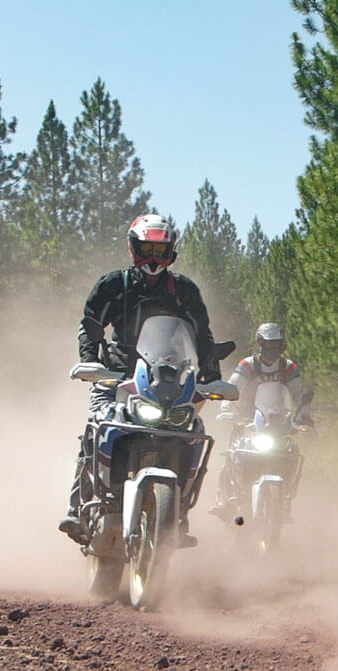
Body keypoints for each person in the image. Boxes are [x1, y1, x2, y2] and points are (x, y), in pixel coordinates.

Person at [59, 213, 222, 545]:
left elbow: (202, 335)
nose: (153, 258)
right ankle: (78, 509)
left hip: (169, 379)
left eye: (160, 251)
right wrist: (90, 361)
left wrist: (212, 375)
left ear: (172, 252)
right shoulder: (113, 285)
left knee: (193, 433)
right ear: (133, 247)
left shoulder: (185, 290)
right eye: (146, 249)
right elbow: (91, 323)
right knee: (97, 426)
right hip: (117, 376)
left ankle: (178, 517)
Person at [210, 322, 313, 517]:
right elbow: (233, 387)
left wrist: (304, 415)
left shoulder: (289, 368)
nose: (273, 350)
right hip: (246, 419)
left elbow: (299, 395)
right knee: (232, 454)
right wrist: (227, 409)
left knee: (293, 453)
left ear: (283, 346)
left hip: (278, 424)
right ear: (260, 344)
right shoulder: (248, 365)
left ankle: (286, 497)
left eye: (277, 345)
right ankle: (222, 499)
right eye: (269, 345)